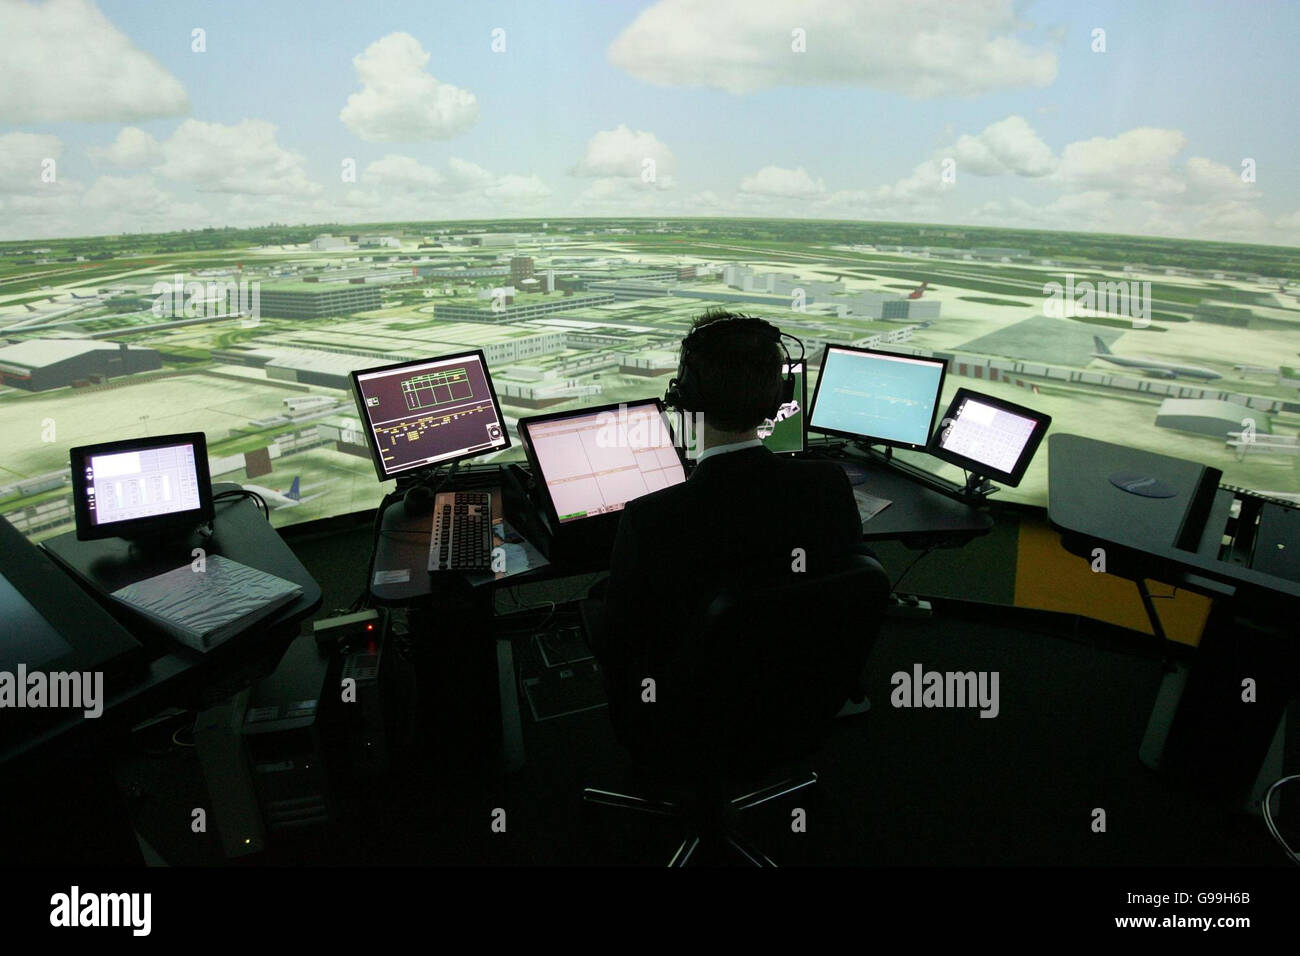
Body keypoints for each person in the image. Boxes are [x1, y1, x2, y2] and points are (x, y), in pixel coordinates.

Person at [587, 308, 878, 748]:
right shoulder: (827, 484)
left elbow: (617, 643)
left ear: (684, 395)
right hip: (797, 702)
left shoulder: (654, 517)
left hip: (685, 720)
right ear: (779, 395)